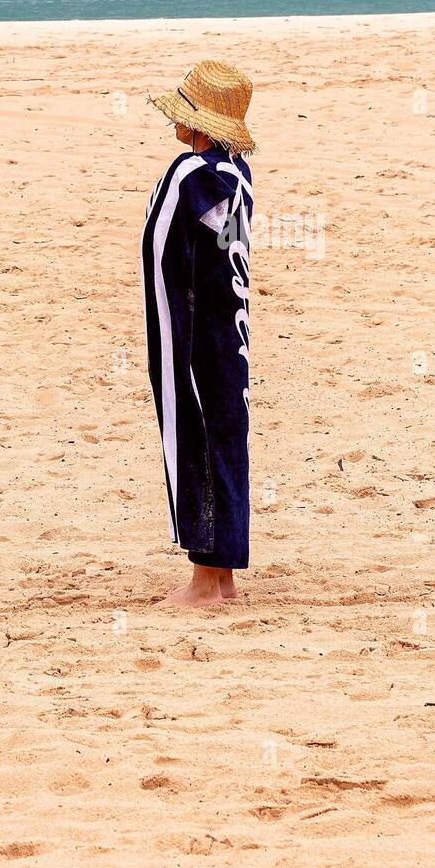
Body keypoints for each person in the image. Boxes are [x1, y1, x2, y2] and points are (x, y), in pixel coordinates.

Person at [141, 60, 255, 606]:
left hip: (196, 327)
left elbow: (161, 251)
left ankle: (206, 581)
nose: (175, 122)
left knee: (194, 434)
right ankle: (221, 574)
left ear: (199, 122)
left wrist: (174, 334)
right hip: (231, 327)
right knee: (225, 436)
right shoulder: (237, 174)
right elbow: (226, 249)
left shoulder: (190, 173)